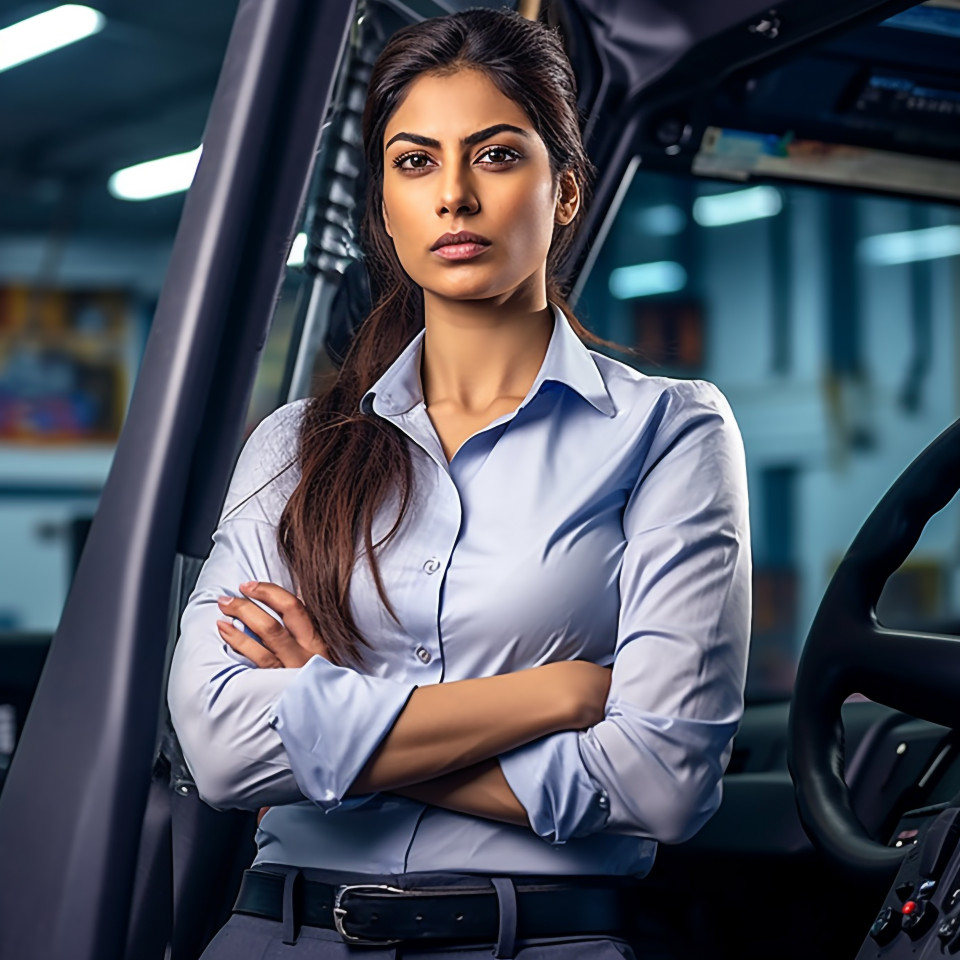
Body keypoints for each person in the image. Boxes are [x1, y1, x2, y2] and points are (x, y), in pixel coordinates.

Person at [166, 6, 752, 958]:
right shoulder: (296, 446)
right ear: (386, 204)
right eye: (415, 162)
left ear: (566, 191)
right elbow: (224, 750)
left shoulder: (668, 432)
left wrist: (325, 713)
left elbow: (664, 782)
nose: (453, 197)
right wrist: (555, 695)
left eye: (496, 156)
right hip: (278, 935)